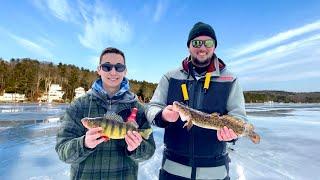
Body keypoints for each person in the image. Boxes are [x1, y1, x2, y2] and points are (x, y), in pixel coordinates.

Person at [146, 22, 247, 180]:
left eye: (208, 43)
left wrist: (232, 134)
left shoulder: (230, 79)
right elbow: (152, 107)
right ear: (189, 46)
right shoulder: (170, 76)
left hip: (215, 171)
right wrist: (162, 115)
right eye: (196, 42)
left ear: (214, 46)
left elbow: (239, 116)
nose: (202, 48)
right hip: (173, 169)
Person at [56, 47, 156, 180]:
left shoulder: (138, 108)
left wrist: (135, 148)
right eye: (107, 67)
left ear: (125, 71)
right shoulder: (78, 106)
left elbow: (149, 152)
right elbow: (63, 152)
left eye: (119, 67)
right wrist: (84, 144)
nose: (113, 72)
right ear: (99, 70)